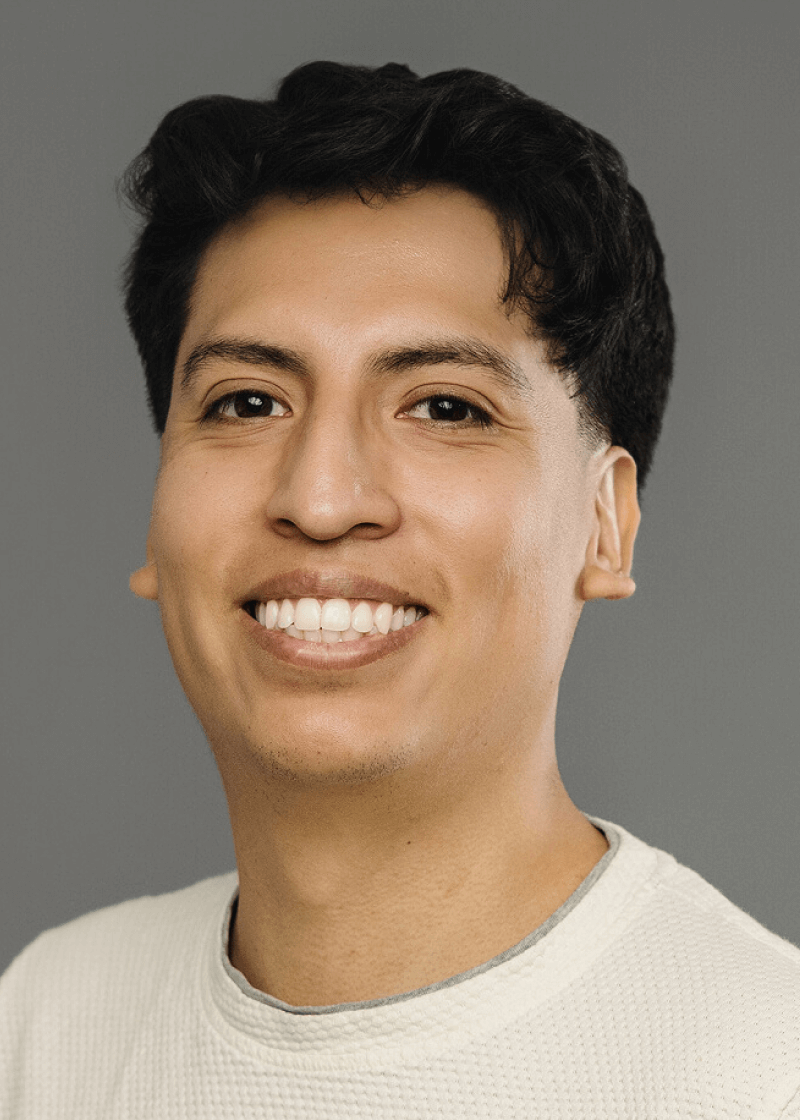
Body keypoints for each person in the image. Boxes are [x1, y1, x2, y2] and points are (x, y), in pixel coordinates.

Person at [1, 60, 798, 1119]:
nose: (320, 499)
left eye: (445, 408)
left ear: (605, 525)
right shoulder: (47, 1023)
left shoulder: (762, 1069)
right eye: (247, 402)